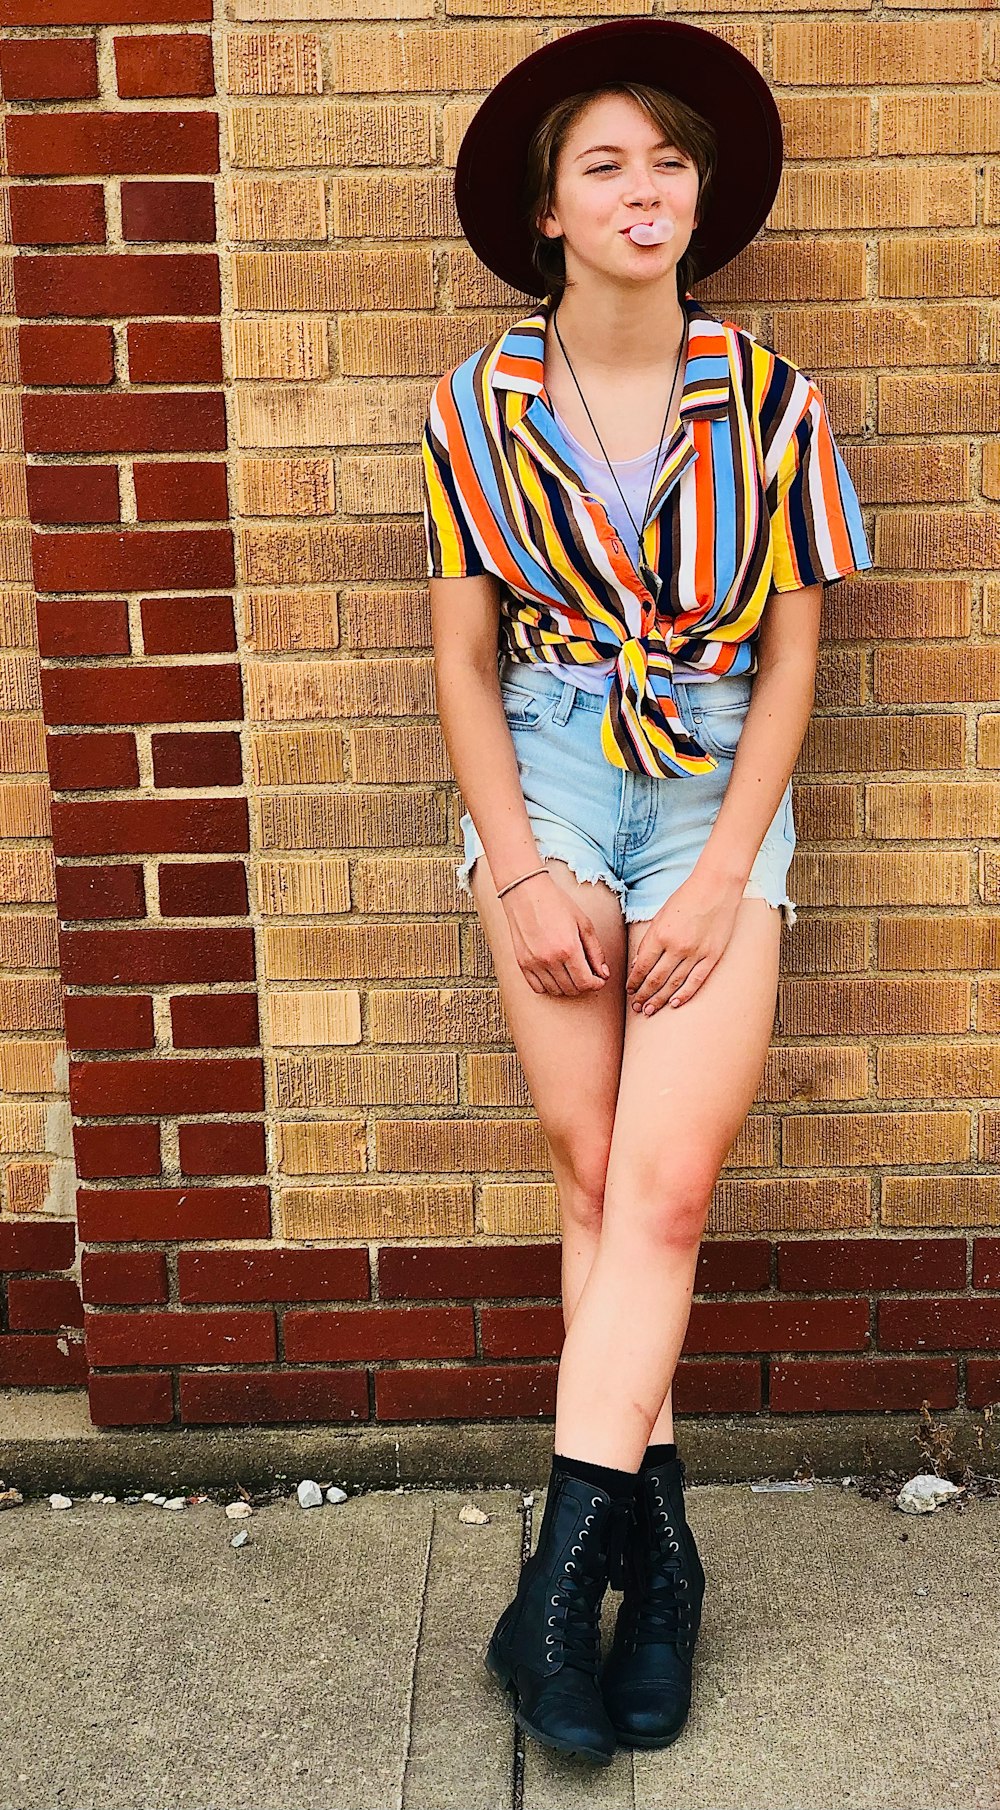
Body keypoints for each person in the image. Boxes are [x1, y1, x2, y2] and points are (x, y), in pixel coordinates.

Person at [420, 17, 873, 1768]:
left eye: (664, 163)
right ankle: (662, 1563)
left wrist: (716, 877)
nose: (642, 190)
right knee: (593, 1172)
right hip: (542, 766)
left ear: (701, 198)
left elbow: (794, 656)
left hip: (708, 780)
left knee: (664, 1199)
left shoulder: (771, 396)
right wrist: (518, 863)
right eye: (603, 164)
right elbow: (464, 660)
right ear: (547, 212)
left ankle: (553, 1589)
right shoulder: (478, 405)